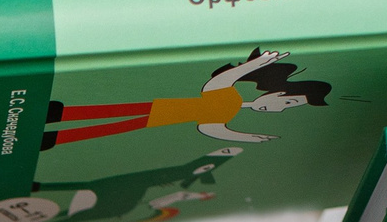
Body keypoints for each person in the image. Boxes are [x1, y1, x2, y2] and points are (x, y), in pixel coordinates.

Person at [39, 49, 331, 150]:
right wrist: (255, 65)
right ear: (279, 93)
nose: (281, 108)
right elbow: (219, 82)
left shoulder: (227, 115)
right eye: (289, 102)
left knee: (111, 127)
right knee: (108, 113)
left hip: (158, 118)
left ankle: (55, 138)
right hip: (159, 108)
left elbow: (209, 130)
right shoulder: (229, 96)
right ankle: (55, 117)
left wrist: (247, 138)